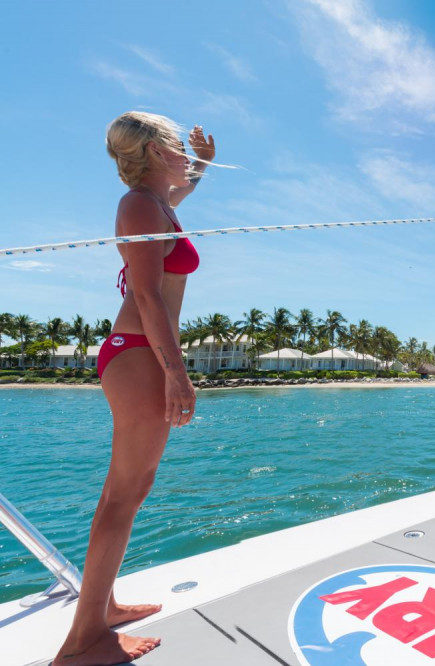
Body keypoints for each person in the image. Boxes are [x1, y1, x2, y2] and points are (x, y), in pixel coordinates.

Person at [53, 112, 214, 666]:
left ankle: (106, 607)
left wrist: (204, 164)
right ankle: (82, 641)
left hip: (141, 353)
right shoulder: (139, 206)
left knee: (126, 494)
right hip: (141, 354)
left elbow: (183, 187)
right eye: (175, 145)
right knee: (124, 496)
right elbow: (147, 297)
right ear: (151, 149)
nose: (183, 154)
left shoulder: (158, 203)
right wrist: (178, 374)